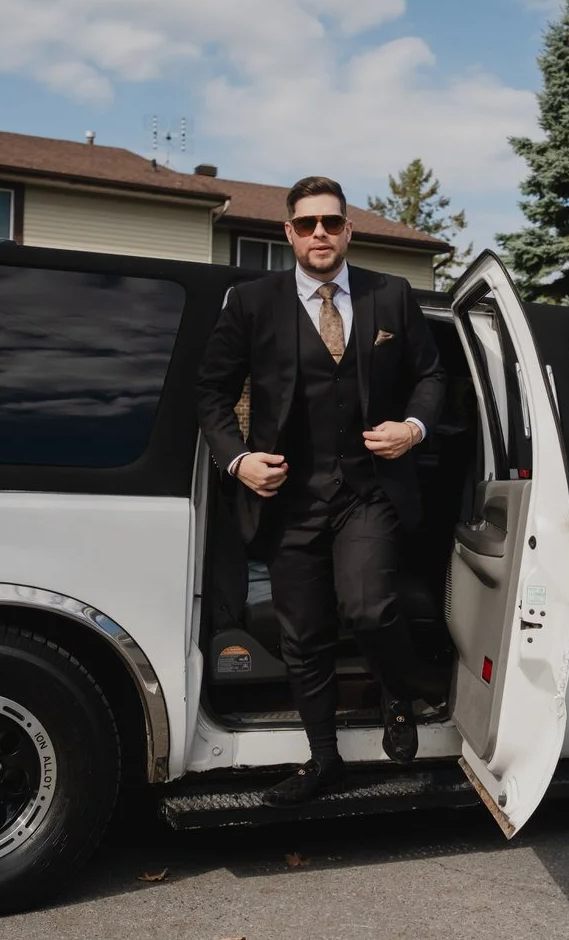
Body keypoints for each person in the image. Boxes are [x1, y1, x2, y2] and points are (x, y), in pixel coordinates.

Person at [196, 175, 448, 806]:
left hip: (369, 491)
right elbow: (211, 394)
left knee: (369, 609)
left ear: (347, 230)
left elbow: (431, 375)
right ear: (288, 232)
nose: (319, 234)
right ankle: (324, 760)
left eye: (330, 223)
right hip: (288, 498)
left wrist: (413, 428)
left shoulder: (390, 295)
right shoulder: (252, 302)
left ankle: (401, 689)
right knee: (303, 636)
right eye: (306, 224)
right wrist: (239, 461)